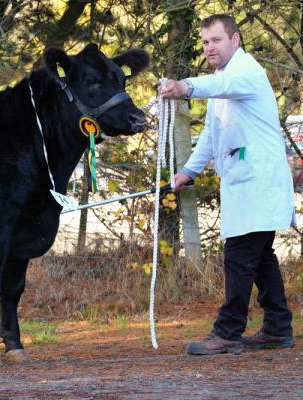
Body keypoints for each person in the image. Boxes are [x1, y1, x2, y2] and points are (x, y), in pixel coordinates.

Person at [159, 14, 296, 355]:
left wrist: (184, 87)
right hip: (246, 186)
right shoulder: (224, 78)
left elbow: (214, 87)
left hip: (259, 185)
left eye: (216, 40)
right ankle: (278, 329)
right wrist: (187, 172)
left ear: (235, 40)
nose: (210, 47)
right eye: (205, 42)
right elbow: (210, 134)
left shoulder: (245, 73)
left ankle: (228, 331)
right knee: (261, 258)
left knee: (239, 256)